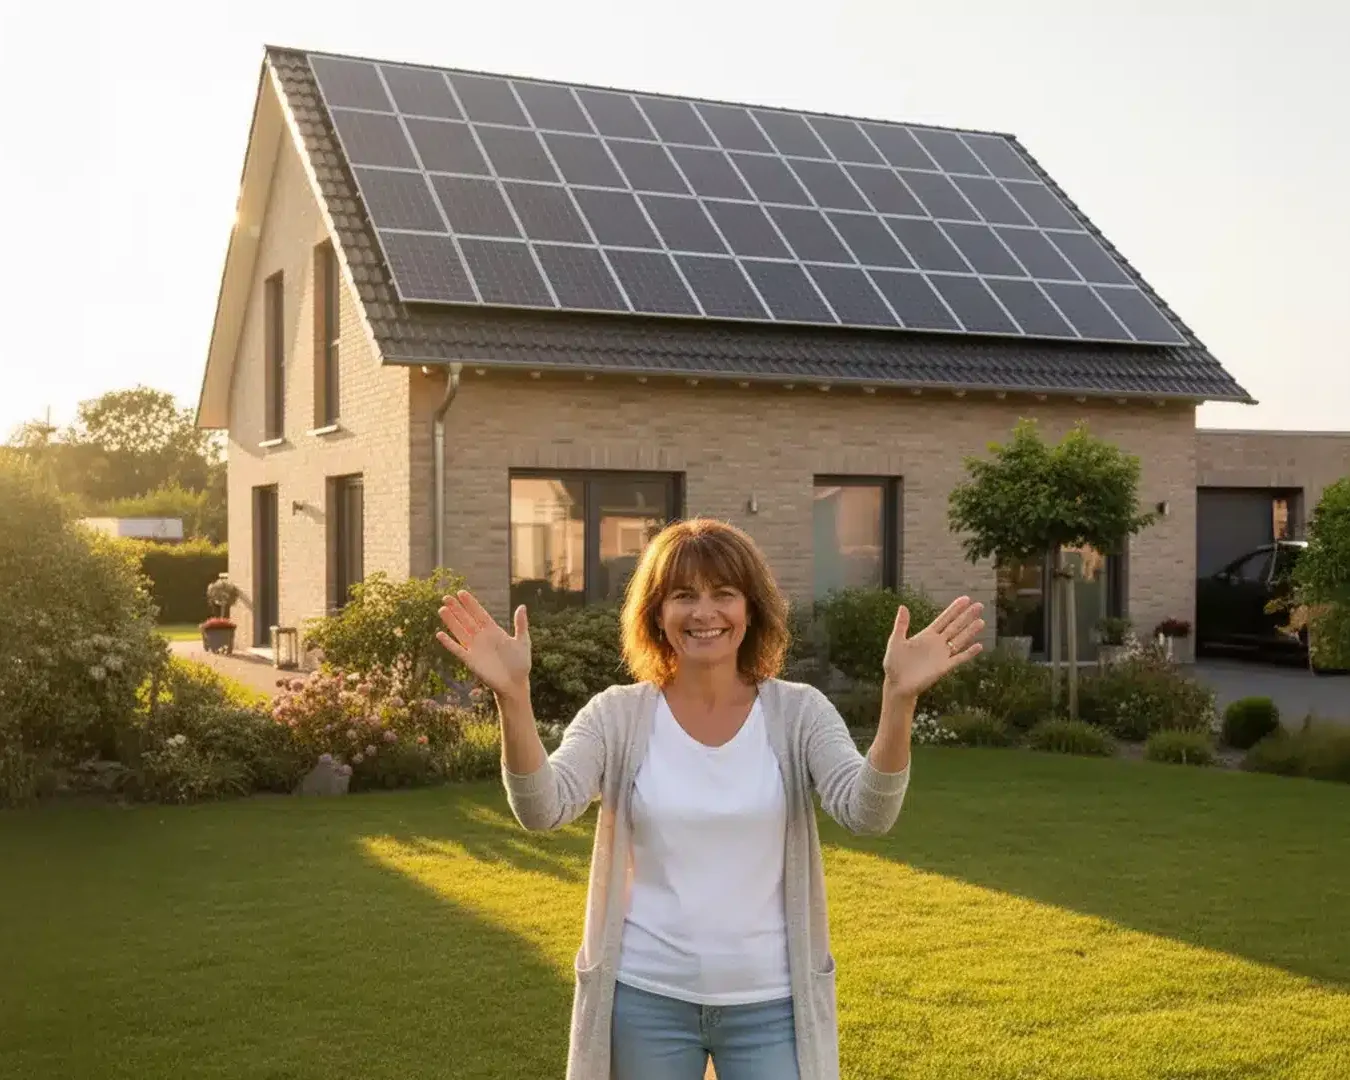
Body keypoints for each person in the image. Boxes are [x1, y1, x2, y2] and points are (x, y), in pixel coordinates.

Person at [436, 517, 984, 1080]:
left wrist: (899, 700)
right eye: (683, 596)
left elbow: (868, 812)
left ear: (752, 609)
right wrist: (513, 698)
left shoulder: (800, 713)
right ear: (656, 613)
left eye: (724, 594)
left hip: (773, 1004)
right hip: (646, 998)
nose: (704, 613)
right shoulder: (617, 716)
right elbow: (542, 807)